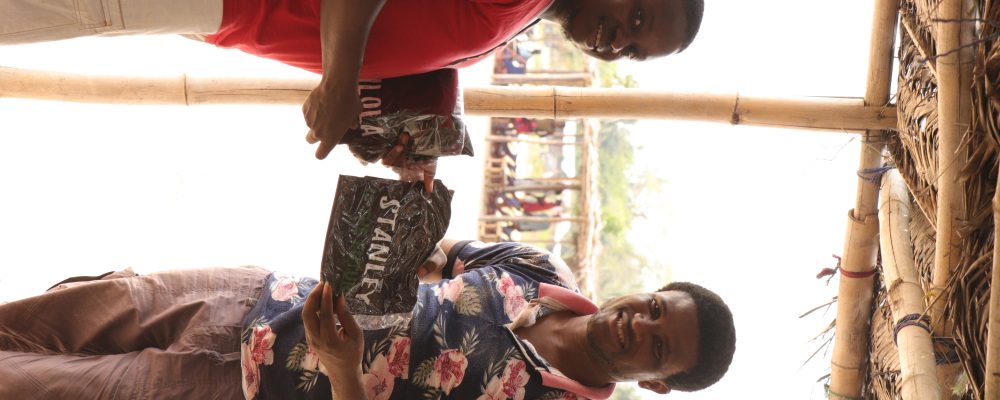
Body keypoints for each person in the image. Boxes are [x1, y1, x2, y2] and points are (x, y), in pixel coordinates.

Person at [0, 239, 735, 399]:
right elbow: (438, 258)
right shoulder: (539, 269)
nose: (639, 325)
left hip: (241, 393)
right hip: (255, 295)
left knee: (39, 387)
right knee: (61, 313)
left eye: (658, 347)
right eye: (655, 309)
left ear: (657, 384)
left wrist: (345, 371)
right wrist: (408, 227)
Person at [0, 0, 705, 160]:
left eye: (634, 48)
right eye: (638, 15)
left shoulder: (528, 13)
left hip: (225, 16)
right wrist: (339, 84)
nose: (618, 39)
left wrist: (416, 137)